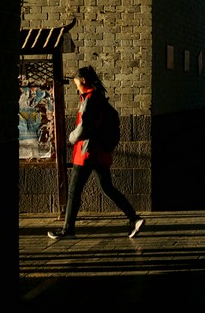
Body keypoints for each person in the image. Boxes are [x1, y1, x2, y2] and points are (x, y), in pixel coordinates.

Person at [48, 66, 145, 240]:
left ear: (83, 80)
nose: (76, 87)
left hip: (86, 153)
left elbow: (83, 128)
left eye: (76, 83)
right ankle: (134, 218)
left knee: (73, 192)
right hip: (100, 152)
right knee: (107, 187)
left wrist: (71, 137)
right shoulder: (100, 98)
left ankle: (68, 230)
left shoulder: (90, 99)